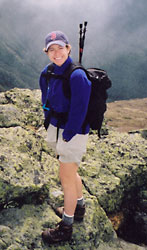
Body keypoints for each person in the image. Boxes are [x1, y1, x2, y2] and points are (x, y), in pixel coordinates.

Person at [39, 30, 92, 244]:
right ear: (46, 53)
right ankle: (78, 207)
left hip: (74, 131)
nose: (56, 52)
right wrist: (47, 117)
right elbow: (46, 96)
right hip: (56, 125)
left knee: (66, 177)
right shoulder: (48, 72)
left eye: (60, 47)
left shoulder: (78, 76)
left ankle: (66, 227)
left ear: (68, 48)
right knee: (70, 172)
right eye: (51, 49)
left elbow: (80, 110)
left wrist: (68, 136)